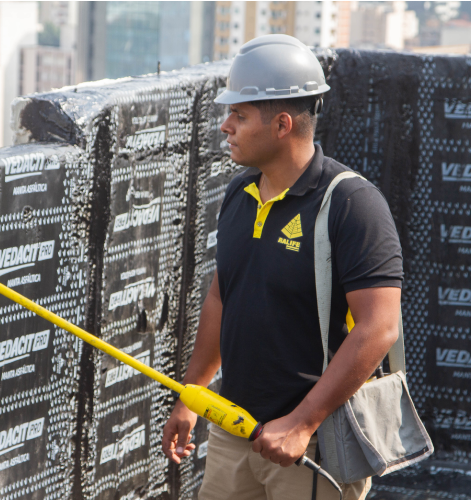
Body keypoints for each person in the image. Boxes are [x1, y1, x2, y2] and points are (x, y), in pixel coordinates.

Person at [161, 35, 403, 500]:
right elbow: (221, 295)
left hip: (314, 445)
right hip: (236, 429)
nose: (225, 125)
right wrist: (192, 394)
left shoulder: (352, 204)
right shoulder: (239, 193)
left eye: (240, 115)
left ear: (282, 125)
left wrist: (300, 422)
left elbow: (379, 327)